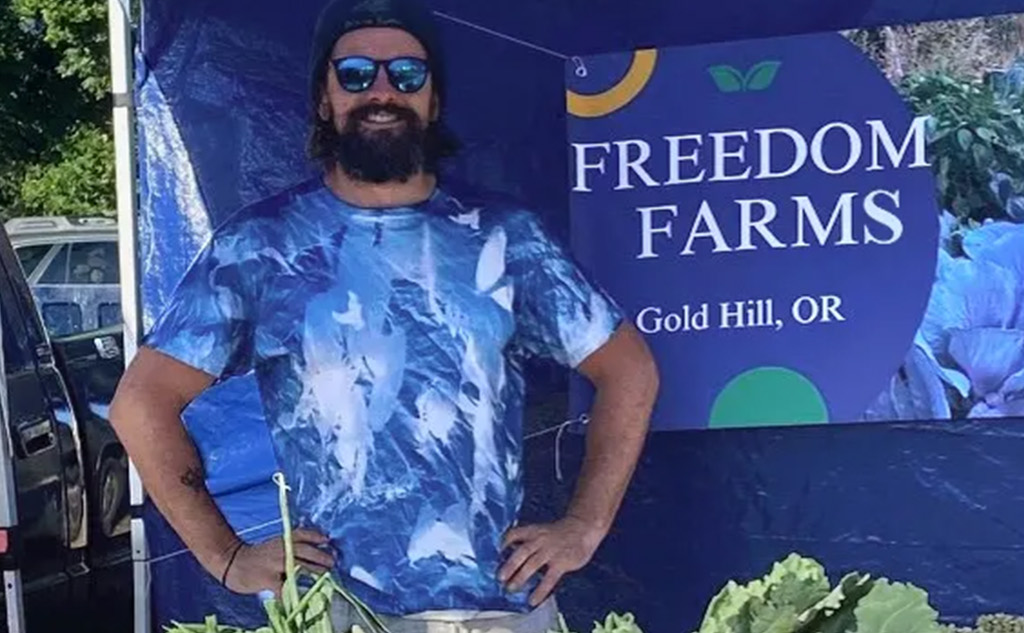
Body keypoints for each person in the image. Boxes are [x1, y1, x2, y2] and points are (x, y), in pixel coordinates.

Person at [108, 0, 660, 630]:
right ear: (324, 98)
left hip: (501, 609)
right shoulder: (260, 248)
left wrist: (583, 526)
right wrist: (226, 555)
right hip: (345, 609)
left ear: (433, 101)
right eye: (355, 74)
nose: (380, 91)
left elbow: (629, 370)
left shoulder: (506, 241)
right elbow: (140, 403)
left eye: (405, 75)